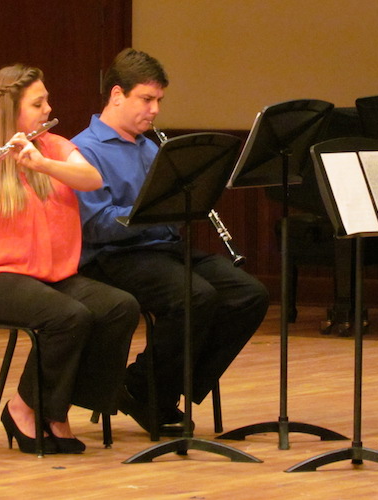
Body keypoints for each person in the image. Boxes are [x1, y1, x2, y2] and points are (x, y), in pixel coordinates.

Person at [0, 64, 140, 454]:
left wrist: (40, 163)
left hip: (45, 274)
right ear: (11, 109)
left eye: (46, 101)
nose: (48, 109)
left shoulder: (54, 147)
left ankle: (56, 409)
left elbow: (92, 180)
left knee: (119, 306)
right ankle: (24, 407)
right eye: (38, 103)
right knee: (67, 317)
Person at [72, 48, 269, 436]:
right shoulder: (83, 149)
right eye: (146, 99)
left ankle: (153, 386)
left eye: (159, 100)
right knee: (195, 296)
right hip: (111, 257)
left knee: (249, 293)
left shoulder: (152, 147)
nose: (155, 110)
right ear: (116, 95)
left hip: (160, 249)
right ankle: (151, 390)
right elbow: (94, 225)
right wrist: (151, 213)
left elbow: (170, 217)